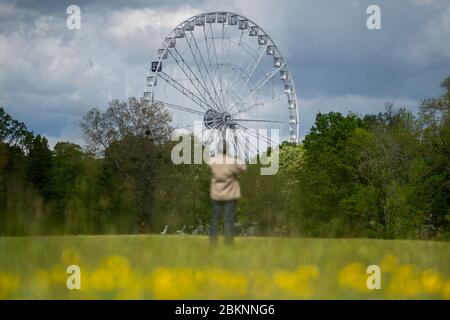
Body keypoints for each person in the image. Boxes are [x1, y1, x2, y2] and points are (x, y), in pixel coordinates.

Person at [208, 140, 246, 244]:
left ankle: (213, 241)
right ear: (227, 149)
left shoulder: (213, 161)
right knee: (228, 220)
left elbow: (210, 167)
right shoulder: (232, 162)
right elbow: (243, 168)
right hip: (230, 194)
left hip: (216, 194)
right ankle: (228, 242)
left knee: (215, 219)